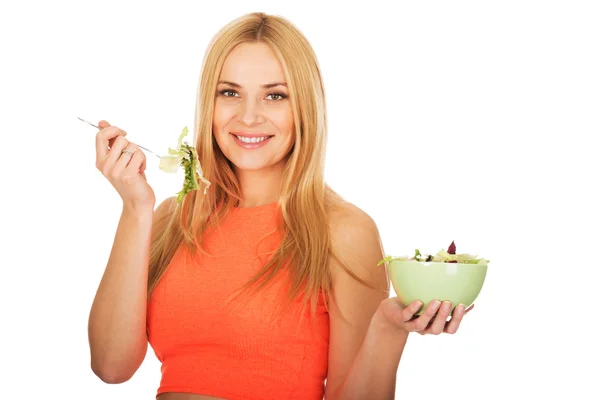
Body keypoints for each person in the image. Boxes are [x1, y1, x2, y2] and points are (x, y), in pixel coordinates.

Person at [87, 12, 473, 400]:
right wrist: (135, 209)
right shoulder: (172, 217)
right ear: (209, 102)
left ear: (303, 107)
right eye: (230, 92)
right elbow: (111, 365)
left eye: (275, 95)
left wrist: (388, 327)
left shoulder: (343, 231)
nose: (249, 116)